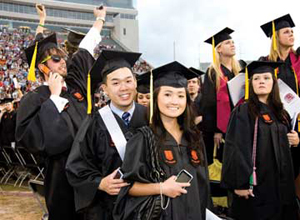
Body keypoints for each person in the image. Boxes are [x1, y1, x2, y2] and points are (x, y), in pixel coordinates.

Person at [15, 6, 107, 220]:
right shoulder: (35, 99)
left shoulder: (76, 87)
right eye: (55, 59)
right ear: (43, 67)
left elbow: (86, 48)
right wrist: (54, 99)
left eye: (62, 56)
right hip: (63, 185)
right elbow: (35, 142)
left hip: (94, 178)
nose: (63, 60)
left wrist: (100, 19)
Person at [113, 61, 212, 220]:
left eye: (180, 96)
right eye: (167, 94)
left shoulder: (195, 137)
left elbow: (204, 187)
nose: (174, 101)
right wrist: (162, 188)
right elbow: (127, 186)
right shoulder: (143, 138)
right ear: (156, 98)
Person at [66, 50, 148, 220]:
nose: (124, 87)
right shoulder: (94, 122)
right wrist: (100, 183)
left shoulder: (151, 118)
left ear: (135, 82)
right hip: (106, 209)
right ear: (105, 89)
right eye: (116, 83)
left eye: (128, 81)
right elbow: (76, 166)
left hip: (146, 206)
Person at [221, 61, 299, 220]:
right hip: (256, 186)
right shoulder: (243, 111)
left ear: (274, 83)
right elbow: (236, 147)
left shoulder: (282, 114)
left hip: (281, 186)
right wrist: (240, 184)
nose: (261, 81)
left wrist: (297, 141)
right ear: (250, 84)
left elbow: (289, 149)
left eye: (266, 78)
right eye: (256, 78)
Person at [259, 13, 300, 195]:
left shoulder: (298, 61)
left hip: (297, 126)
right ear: (276, 37)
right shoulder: (265, 64)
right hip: (273, 127)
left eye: (292, 31)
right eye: (286, 32)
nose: (292, 34)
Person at [201, 27, 242, 165]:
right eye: (227, 42)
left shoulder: (240, 68)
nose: (232, 44)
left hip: (240, 123)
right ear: (218, 49)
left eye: (233, 42)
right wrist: (216, 131)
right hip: (222, 128)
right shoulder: (213, 72)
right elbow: (209, 104)